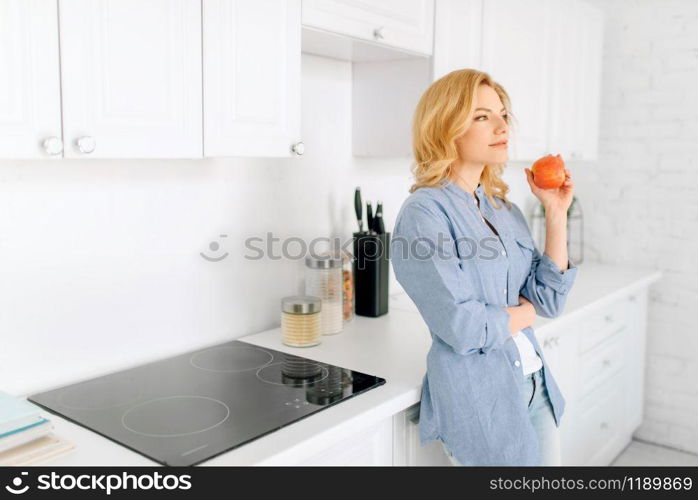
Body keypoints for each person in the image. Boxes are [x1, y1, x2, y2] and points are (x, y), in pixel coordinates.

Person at [390, 69, 578, 466]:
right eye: (481, 116)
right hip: (482, 403)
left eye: (503, 113)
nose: (501, 125)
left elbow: (549, 297)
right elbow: (464, 327)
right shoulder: (424, 214)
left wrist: (555, 212)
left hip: (537, 386)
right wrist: (526, 313)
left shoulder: (502, 208)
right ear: (446, 128)